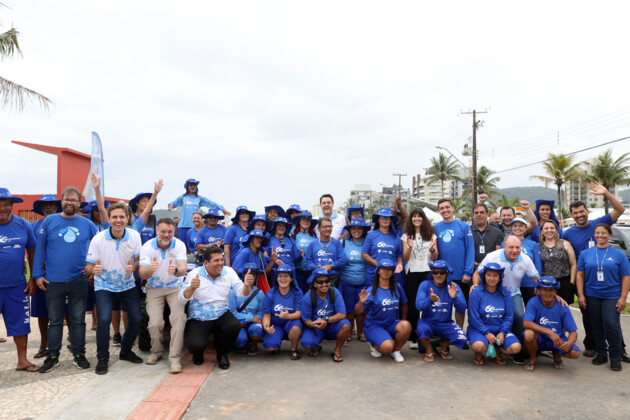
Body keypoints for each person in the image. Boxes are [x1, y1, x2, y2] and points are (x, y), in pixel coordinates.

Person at [34, 186, 98, 373]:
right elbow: (40, 249)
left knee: (78, 320)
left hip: (79, 279)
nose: (70, 202)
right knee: (54, 321)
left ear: (79, 203)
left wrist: (93, 266)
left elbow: (99, 245)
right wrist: (38, 275)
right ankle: (52, 356)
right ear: (61, 201)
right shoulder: (49, 221)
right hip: (53, 281)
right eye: (67, 199)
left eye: (74, 200)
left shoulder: (87, 224)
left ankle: (79, 354)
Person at [563, 181, 628, 359]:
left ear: (587, 211)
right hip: (583, 279)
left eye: (581, 211)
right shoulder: (567, 233)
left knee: (611, 319)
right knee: (589, 316)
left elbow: (620, 209)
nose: (579, 215)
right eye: (575, 213)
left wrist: (606, 193)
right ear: (571, 215)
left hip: (607, 280)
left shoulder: (600, 223)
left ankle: (619, 349)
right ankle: (592, 346)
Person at [85, 202, 143, 375]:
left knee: (137, 318)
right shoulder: (98, 239)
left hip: (127, 283)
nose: (118, 220)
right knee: (103, 320)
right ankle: (103, 357)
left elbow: (139, 260)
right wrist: (93, 270)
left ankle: (125, 350)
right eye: (115, 217)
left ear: (127, 219)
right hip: (104, 284)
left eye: (122, 217)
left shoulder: (134, 236)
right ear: (109, 219)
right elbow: (88, 267)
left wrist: (134, 267)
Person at [474, 236, 540, 364]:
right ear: (504, 246)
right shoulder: (492, 257)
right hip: (492, 293)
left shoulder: (525, 259)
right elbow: (477, 273)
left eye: (518, 247)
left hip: (512, 293)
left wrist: (551, 292)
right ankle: (483, 343)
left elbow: (537, 278)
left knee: (520, 316)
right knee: (487, 315)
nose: (514, 250)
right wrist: (475, 285)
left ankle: (517, 350)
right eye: (511, 247)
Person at [179, 246, 244, 369]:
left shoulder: (229, 272)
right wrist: (191, 288)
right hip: (199, 318)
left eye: (221, 260)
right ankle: (198, 353)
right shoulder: (194, 274)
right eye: (216, 260)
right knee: (195, 344)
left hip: (221, 314)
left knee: (234, 325)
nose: (220, 263)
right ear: (206, 263)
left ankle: (222, 354)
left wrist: (247, 286)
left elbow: (241, 292)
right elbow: (181, 299)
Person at [577, 223, 630, 371]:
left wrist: (623, 297)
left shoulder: (619, 255)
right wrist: (581, 294)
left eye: (603, 233)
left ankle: (615, 356)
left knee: (611, 324)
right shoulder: (585, 253)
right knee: (597, 325)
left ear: (609, 235)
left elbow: (626, 277)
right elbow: (580, 275)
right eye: (597, 233)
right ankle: (601, 353)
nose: (600, 236)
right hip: (592, 294)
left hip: (612, 295)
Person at [138, 217, 188, 373]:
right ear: (157, 231)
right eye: (163, 231)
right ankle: (157, 352)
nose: (166, 235)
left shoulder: (179, 244)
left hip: (175, 287)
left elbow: (183, 268)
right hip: (154, 288)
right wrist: (149, 270)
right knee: (155, 323)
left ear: (174, 231)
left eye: (170, 232)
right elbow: (142, 274)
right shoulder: (147, 247)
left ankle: (175, 358)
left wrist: (175, 271)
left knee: (178, 319)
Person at [0, 188, 38, 372]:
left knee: (21, 325)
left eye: (7, 204)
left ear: (12, 206)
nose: (2, 208)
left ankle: (22, 361)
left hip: (17, 286)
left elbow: (32, 250)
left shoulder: (23, 224)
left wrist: (32, 279)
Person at [355, 260, 411, 363]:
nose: (386, 271)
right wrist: (361, 302)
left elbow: (404, 304)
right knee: (387, 347)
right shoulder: (371, 290)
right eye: (383, 269)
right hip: (374, 326)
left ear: (392, 272)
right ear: (378, 271)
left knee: (406, 325)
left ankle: (396, 351)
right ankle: (373, 343)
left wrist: (402, 321)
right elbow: (358, 311)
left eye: (389, 269)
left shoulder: (397, 287)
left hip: (391, 324)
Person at [467, 263, 521, 366]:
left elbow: (509, 316)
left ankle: (497, 351)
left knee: (516, 347)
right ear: (484, 276)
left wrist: (503, 332)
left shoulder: (505, 293)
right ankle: (479, 353)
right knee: (479, 346)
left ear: (500, 278)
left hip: (499, 329)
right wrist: (486, 333)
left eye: (495, 275)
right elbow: (473, 318)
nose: (492, 278)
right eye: (489, 275)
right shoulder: (476, 292)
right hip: (479, 329)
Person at [523, 277, 581, 372]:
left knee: (575, 353)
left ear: (555, 291)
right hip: (540, 338)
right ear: (539, 290)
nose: (548, 293)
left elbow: (573, 332)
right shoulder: (533, 302)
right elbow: (526, 323)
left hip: (557, 339)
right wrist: (549, 332)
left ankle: (556, 354)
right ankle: (532, 358)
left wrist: (569, 343)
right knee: (528, 334)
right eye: (544, 289)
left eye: (551, 290)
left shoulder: (562, 305)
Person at [434, 198, 474, 330]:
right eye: (442, 208)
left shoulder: (463, 226)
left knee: (460, 306)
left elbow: (470, 250)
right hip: (442, 275)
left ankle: (459, 332)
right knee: (442, 307)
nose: (445, 210)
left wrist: (468, 272)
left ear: (452, 208)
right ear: (439, 211)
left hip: (460, 275)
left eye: (447, 207)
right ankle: (444, 335)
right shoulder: (436, 228)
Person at [415, 261, 468, 362]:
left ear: (447, 274)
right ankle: (429, 348)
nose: (438, 275)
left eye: (442, 272)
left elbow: (462, 308)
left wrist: (455, 298)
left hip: (446, 323)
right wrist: (429, 300)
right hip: (428, 322)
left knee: (462, 338)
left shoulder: (453, 286)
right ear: (432, 273)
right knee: (422, 329)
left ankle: (444, 345)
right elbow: (419, 306)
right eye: (435, 272)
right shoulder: (425, 285)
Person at [30, 194, 61, 359]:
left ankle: (72, 341)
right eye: (46, 205)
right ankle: (44, 344)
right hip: (41, 276)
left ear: (57, 207)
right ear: (41, 208)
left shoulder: (64, 224)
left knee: (67, 311)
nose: (49, 207)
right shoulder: (33, 226)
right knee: (43, 313)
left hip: (61, 276)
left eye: (52, 204)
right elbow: (31, 250)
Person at [401, 208, 438, 349]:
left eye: (419, 216)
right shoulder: (406, 235)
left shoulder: (431, 234)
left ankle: (429, 335)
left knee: (429, 303)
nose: (416, 219)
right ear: (411, 219)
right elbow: (404, 257)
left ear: (424, 218)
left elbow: (436, 256)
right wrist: (410, 247)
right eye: (414, 216)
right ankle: (415, 337)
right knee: (413, 305)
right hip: (412, 272)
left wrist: (432, 249)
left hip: (428, 272)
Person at [301, 268, 351, 362]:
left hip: (331, 326)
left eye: (327, 281)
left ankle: (337, 350)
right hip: (316, 327)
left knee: (346, 325)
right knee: (307, 343)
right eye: (320, 282)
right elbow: (306, 319)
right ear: (314, 284)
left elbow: (342, 314)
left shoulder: (334, 292)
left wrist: (326, 320)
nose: (324, 284)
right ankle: (315, 347)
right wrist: (314, 324)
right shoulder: (308, 297)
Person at [168, 178, 230, 244]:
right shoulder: (183, 197)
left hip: (196, 226)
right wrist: (171, 205)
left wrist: (222, 209)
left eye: (194, 185)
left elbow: (211, 203)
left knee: (196, 245)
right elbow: (174, 203)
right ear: (187, 187)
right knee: (183, 246)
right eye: (190, 185)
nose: (192, 186)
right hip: (183, 226)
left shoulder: (199, 198)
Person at [261, 265, 303, 360]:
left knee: (296, 328)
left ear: (291, 278)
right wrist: (266, 327)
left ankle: (294, 349)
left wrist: (288, 316)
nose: (283, 279)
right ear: (276, 278)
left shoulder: (297, 293)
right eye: (280, 276)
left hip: (291, 323)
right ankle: (277, 342)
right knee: (271, 347)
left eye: (286, 276)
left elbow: (299, 313)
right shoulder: (270, 294)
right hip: (276, 325)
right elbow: (266, 315)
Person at [340, 218, 370, 343]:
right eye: (353, 228)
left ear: (363, 230)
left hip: (363, 280)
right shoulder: (343, 243)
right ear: (349, 230)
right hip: (347, 280)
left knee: (362, 308)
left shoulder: (367, 243)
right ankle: (349, 331)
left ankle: (361, 332)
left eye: (359, 228)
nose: (356, 231)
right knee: (349, 309)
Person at [362, 208, 403, 289]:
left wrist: (399, 264)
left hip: (391, 276)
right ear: (378, 220)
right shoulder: (371, 236)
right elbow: (364, 254)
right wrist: (378, 264)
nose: (385, 220)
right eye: (382, 217)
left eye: (387, 218)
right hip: (373, 275)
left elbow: (399, 255)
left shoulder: (396, 238)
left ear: (391, 220)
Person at [229, 264, 265, 356]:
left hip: (254, 323)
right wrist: (251, 318)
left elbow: (261, 312)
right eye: (248, 274)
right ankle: (243, 344)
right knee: (240, 340)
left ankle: (254, 344)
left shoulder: (260, 293)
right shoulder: (233, 292)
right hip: (239, 323)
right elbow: (232, 313)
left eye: (254, 274)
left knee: (256, 330)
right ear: (243, 275)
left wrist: (256, 319)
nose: (251, 277)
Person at [539, 219, 577, 304]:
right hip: (546, 284)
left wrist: (572, 283)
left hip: (564, 283)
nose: (549, 230)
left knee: (563, 309)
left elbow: (573, 264)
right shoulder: (537, 247)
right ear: (542, 231)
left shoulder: (565, 244)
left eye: (552, 228)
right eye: (546, 228)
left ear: (556, 230)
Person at [506, 217, 542, 306]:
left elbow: (538, 264)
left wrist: (538, 284)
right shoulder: (505, 243)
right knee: (514, 312)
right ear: (511, 228)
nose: (517, 228)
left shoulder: (532, 244)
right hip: (511, 283)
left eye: (521, 226)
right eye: (515, 226)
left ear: (526, 228)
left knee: (531, 308)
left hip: (529, 283)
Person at [305, 217, 346, 287]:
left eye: (330, 226)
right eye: (325, 227)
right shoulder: (312, 244)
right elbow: (308, 261)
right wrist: (315, 267)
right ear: (318, 228)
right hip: (318, 279)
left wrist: (332, 266)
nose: (328, 229)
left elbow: (343, 260)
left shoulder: (337, 243)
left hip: (333, 279)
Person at [267, 217, 301, 286]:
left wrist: (301, 255)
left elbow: (295, 258)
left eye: (283, 226)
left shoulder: (290, 239)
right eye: (279, 225)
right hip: (275, 274)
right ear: (275, 227)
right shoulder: (269, 239)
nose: (281, 227)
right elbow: (264, 255)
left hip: (290, 274)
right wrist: (274, 260)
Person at [291, 211, 318, 293]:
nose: (305, 222)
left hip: (311, 271)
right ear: (299, 221)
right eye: (303, 219)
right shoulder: (293, 235)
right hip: (298, 271)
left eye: (308, 220)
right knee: (300, 293)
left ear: (311, 222)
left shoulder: (314, 235)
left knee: (311, 294)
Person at [471, 203, 503, 269]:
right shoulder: (467, 231)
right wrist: (471, 262)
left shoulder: (497, 232)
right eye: (476, 213)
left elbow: (498, 253)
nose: (479, 214)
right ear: (473, 215)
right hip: (472, 269)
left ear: (487, 214)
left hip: (491, 269)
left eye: (482, 212)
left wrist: (486, 263)